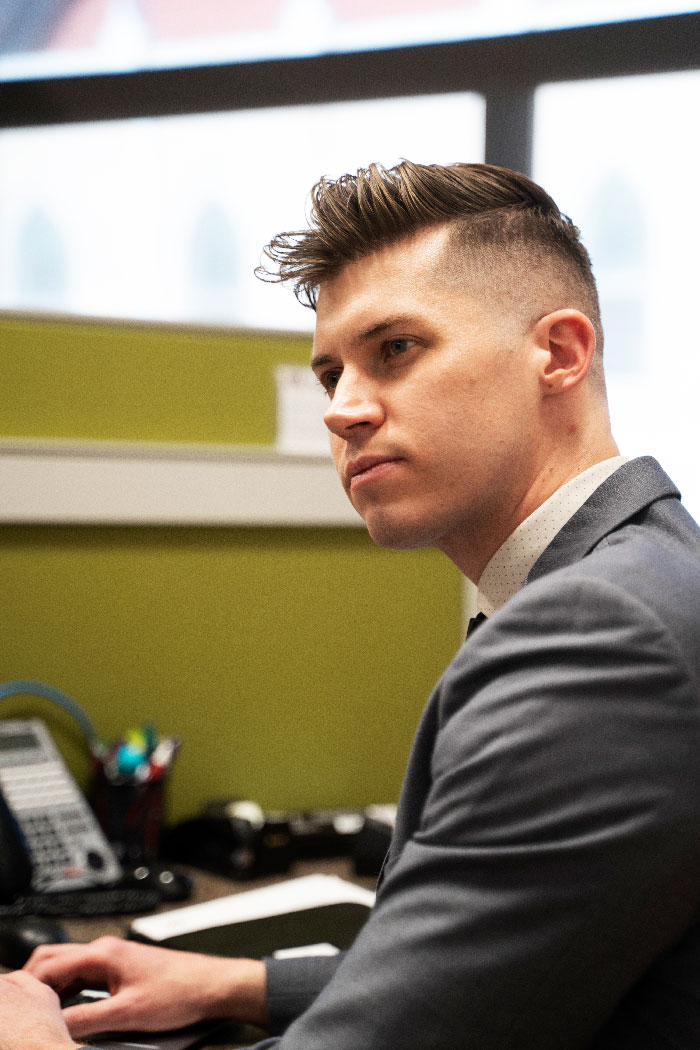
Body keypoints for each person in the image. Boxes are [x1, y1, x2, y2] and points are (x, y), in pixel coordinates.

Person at [3, 159, 700, 1049]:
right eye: (332, 374)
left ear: (559, 354)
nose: (341, 410)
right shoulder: (637, 574)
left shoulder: (600, 636)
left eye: (396, 349)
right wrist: (241, 983)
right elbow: (503, 961)